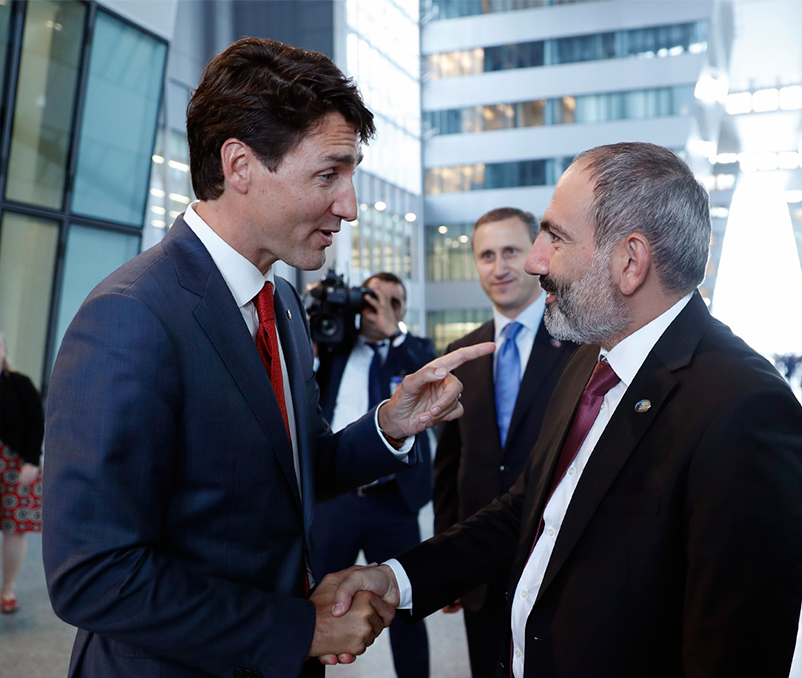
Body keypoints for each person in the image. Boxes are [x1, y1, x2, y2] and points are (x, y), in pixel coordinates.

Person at [42, 37, 492, 678]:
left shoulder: (280, 303)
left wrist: (389, 427)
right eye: (328, 174)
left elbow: (294, 467)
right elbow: (92, 576)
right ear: (240, 165)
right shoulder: (131, 317)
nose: (352, 206)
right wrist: (299, 628)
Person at [329, 142, 802, 677]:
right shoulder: (591, 358)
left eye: (556, 238)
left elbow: (731, 656)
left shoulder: (745, 412)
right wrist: (396, 579)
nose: (535, 261)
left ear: (630, 262)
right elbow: (531, 512)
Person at [432, 208, 577, 678]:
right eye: (486, 255)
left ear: (538, 254)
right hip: (479, 573)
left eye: (511, 251)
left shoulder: (582, 348)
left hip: (555, 566)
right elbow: (449, 469)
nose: (500, 267)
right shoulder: (463, 357)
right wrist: (446, 563)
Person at [310, 272, 436, 678]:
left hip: (395, 502)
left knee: (406, 611)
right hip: (337, 502)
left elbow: (434, 382)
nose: (380, 309)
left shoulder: (412, 350)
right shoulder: (333, 348)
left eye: (393, 302)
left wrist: (390, 332)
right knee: (314, 606)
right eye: (371, 300)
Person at [0, 330, 45, 614]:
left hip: (16, 467)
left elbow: (37, 423)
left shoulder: (20, 384)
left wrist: (32, 460)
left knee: (13, 531)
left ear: (3, 350)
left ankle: (7, 588)